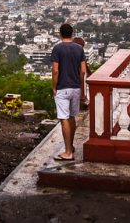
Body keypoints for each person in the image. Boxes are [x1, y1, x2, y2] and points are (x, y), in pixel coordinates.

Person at [51, 23, 87, 161]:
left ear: (60, 34)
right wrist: (79, 83)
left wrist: (54, 87)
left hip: (62, 87)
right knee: (71, 117)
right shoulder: (79, 48)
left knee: (64, 118)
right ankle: (70, 147)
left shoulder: (57, 48)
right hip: (75, 87)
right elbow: (83, 70)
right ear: (72, 33)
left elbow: (55, 70)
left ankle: (67, 152)